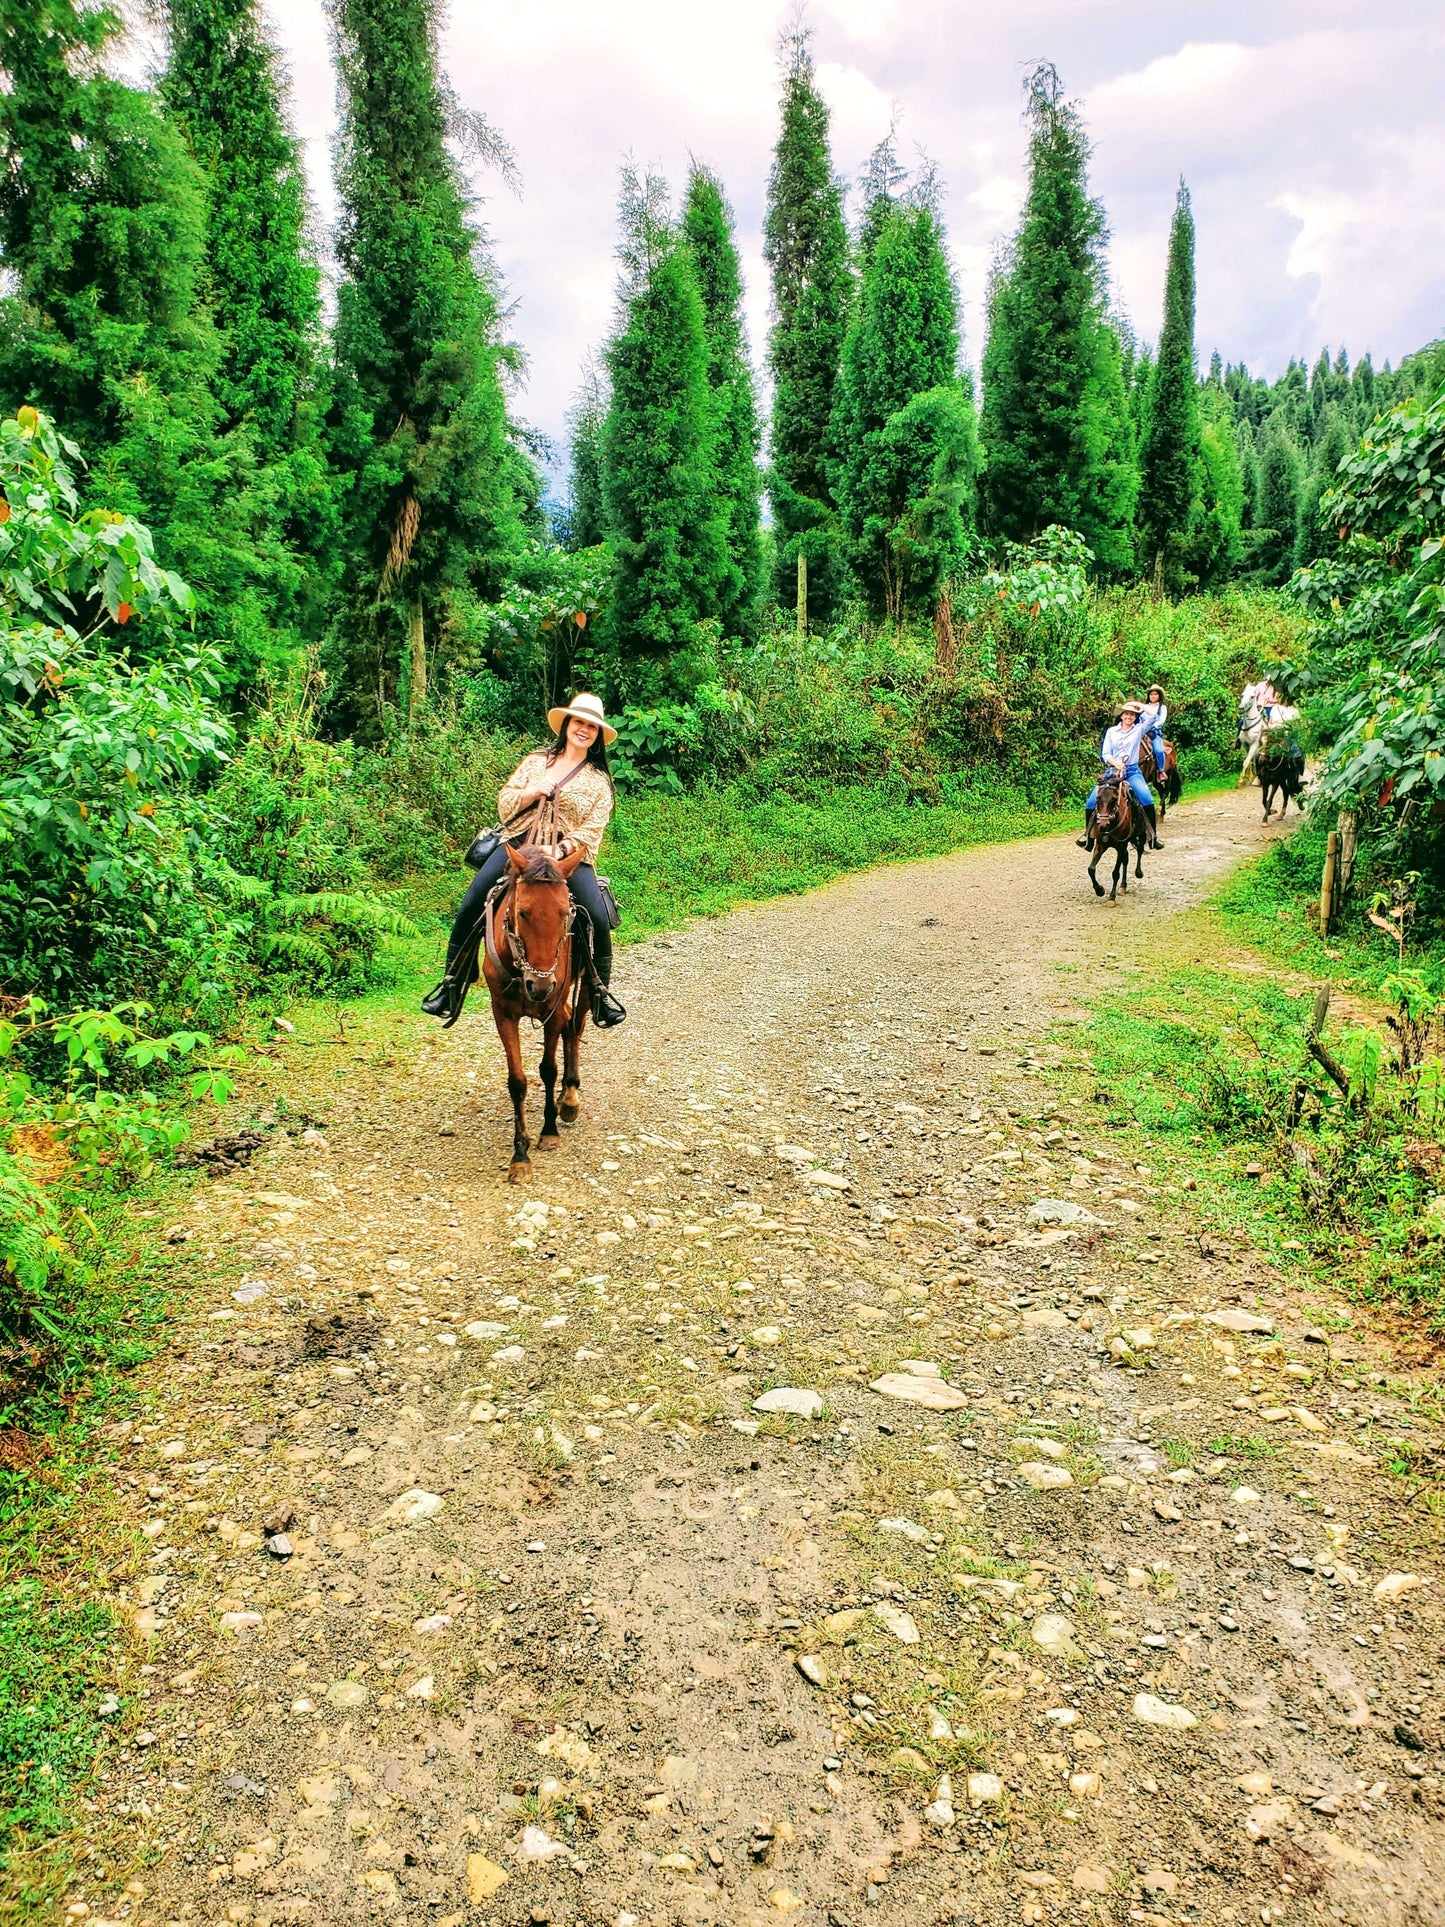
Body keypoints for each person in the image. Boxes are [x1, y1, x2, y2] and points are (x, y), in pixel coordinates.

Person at [421, 693, 622, 1027]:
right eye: (579, 722)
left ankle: (600, 995)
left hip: (566, 855)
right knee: (472, 902)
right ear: (567, 724)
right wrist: (533, 791)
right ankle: (452, 984)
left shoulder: (599, 781)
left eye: (591, 726)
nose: (584, 730)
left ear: (597, 735)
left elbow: (594, 827)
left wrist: (560, 850)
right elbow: (505, 802)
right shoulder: (535, 762)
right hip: (518, 844)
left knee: (598, 917)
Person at [1077, 700, 1161, 851]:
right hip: (1112, 771)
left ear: (1135, 717)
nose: (1129, 717)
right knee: (1091, 802)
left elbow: (1153, 716)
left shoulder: (1139, 730)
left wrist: (1138, 704)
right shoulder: (1111, 731)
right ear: (1121, 716)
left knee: (1147, 799)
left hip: (1132, 771)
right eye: (1126, 714)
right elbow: (1105, 753)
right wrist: (1116, 763)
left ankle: (1153, 837)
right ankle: (1089, 838)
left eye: (1132, 715)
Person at [1140, 684, 1168, 780]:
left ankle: (1161, 771)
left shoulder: (1162, 707)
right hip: (1140, 731)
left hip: (1153, 733)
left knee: (1158, 750)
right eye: (1151, 694)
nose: (1153, 696)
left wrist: (1151, 726)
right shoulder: (1143, 707)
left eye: (1155, 694)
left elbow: (1161, 721)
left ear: (1159, 695)